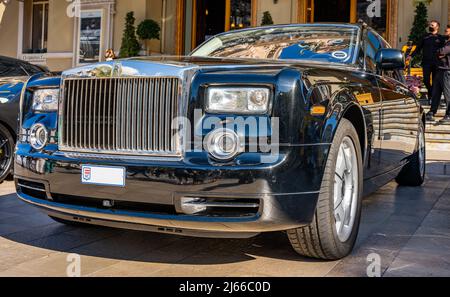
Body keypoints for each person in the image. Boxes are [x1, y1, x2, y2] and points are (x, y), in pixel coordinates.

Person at [408, 21, 446, 103]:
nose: (430, 25)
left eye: (432, 24)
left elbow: (445, 50)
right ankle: (431, 92)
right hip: (426, 62)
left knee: (436, 81)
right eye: (430, 24)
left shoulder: (441, 38)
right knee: (426, 80)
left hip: (437, 63)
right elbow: (418, 48)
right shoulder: (424, 37)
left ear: (437, 27)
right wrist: (411, 55)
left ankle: (431, 97)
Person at [427, 25, 450, 122]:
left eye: (447, 31)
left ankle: (449, 115)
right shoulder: (446, 42)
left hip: (446, 71)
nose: (445, 32)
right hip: (440, 70)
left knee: (447, 94)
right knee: (436, 93)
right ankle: (432, 112)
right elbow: (439, 53)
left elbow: (442, 51)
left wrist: (439, 53)